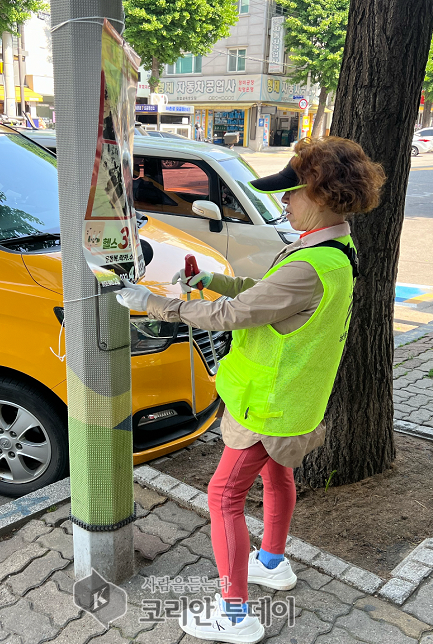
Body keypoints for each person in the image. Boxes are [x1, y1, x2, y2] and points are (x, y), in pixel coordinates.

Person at [117, 137, 386, 644]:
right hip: (295, 401)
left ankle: (234, 616)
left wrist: (153, 303)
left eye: (291, 192)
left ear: (323, 195)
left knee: (223, 497)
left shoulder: (310, 263)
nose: (282, 201)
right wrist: (211, 279)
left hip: (266, 402)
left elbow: (236, 315)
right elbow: (262, 298)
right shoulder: (332, 250)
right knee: (278, 477)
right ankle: (271, 562)